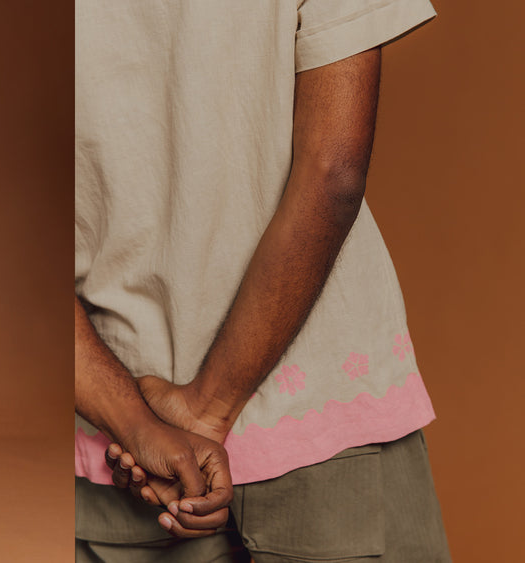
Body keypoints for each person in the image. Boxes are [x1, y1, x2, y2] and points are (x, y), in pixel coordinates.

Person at [75, 1, 451, 561]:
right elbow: (334, 171)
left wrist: (133, 422)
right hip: (323, 403)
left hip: (130, 434)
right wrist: (209, 407)